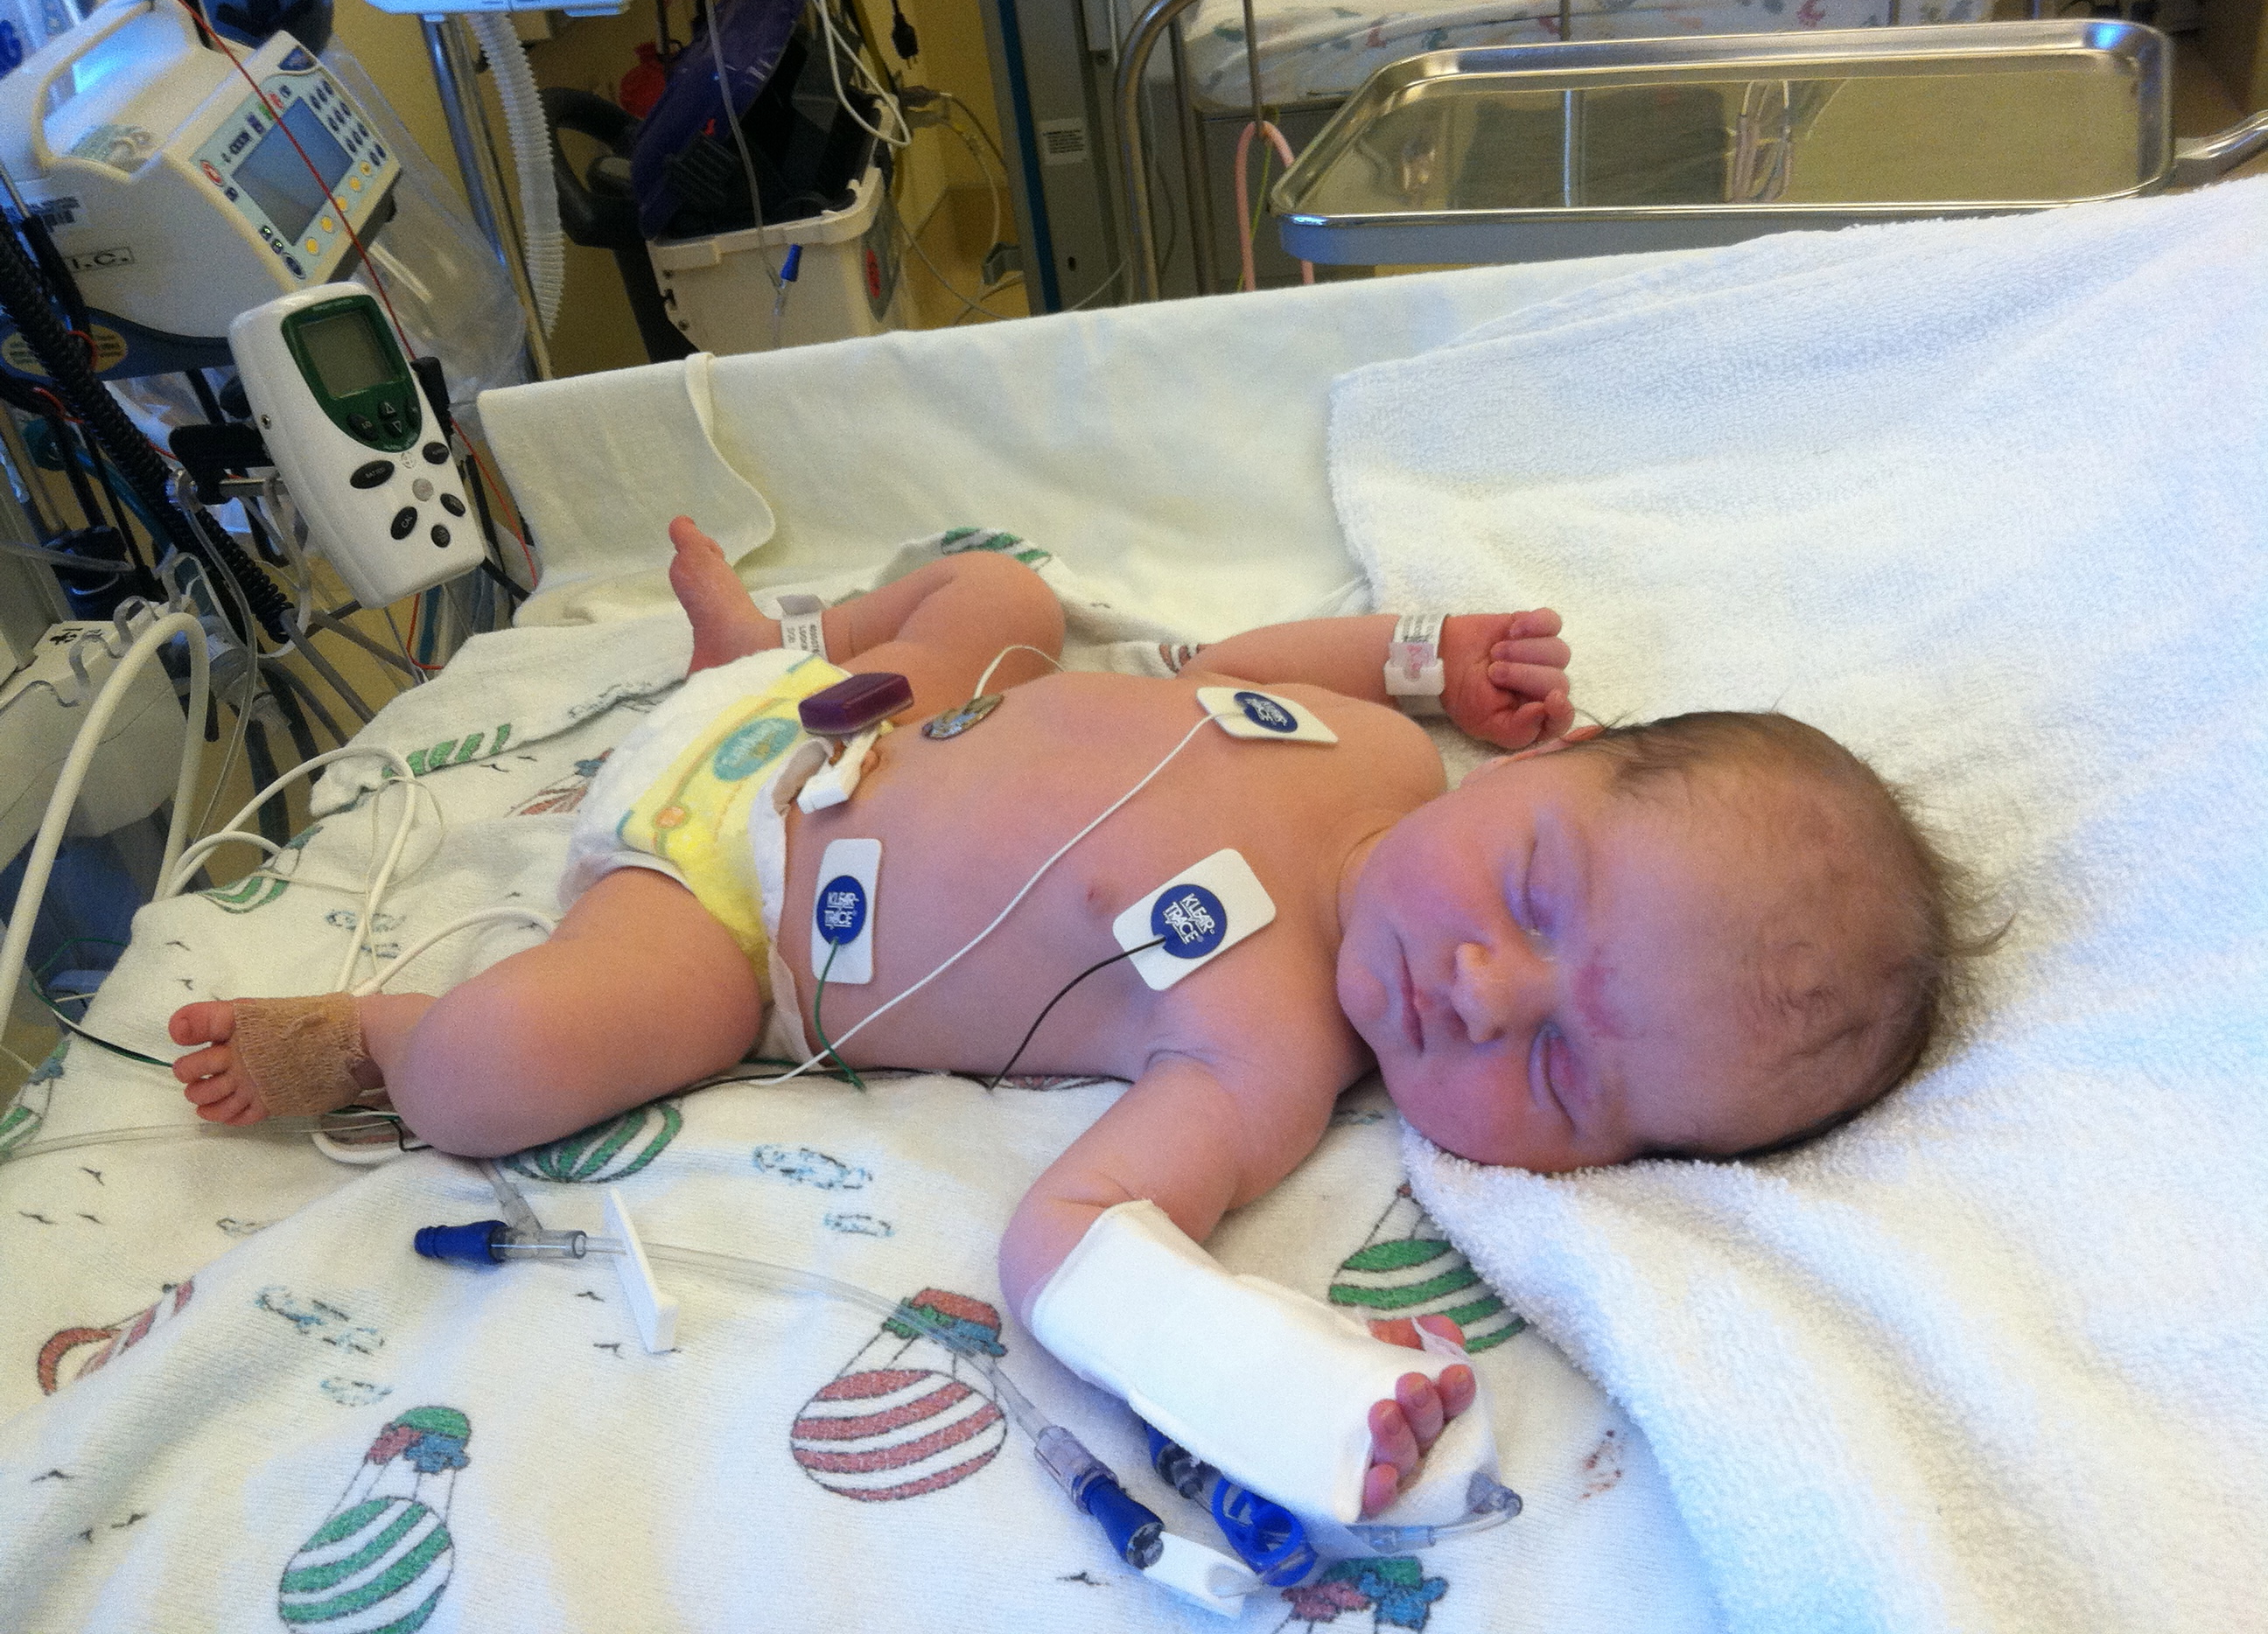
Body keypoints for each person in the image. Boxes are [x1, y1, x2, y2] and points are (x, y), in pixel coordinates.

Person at [169, 517, 1971, 1525]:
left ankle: (376, 1035)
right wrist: (1426, 653)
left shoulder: (1263, 1059)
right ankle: (743, 645)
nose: (1484, 988)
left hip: (731, 902)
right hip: (857, 704)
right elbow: (1220, 674)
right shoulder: (1372, 749)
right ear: (1543, 759)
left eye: (1564, 1072)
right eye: (1541, 894)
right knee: (1006, 594)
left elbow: (1066, 1240)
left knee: (502, 1070)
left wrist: (1267, 1378)